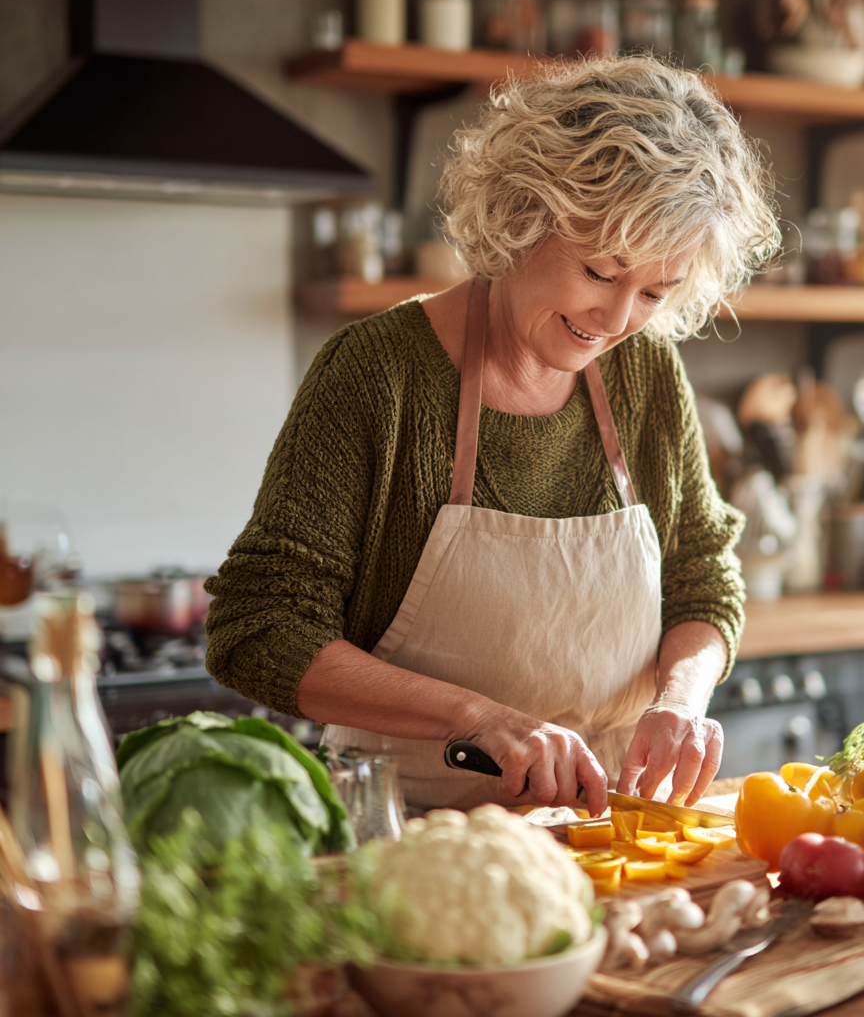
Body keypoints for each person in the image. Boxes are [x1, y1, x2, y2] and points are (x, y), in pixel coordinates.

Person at [205, 54, 779, 816]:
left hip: (607, 834)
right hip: (413, 838)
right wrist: (476, 718)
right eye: (601, 273)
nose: (616, 322)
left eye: (654, 291)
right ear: (525, 215)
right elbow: (258, 626)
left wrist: (680, 697)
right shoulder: (379, 375)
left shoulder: (646, 374)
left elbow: (703, 577)